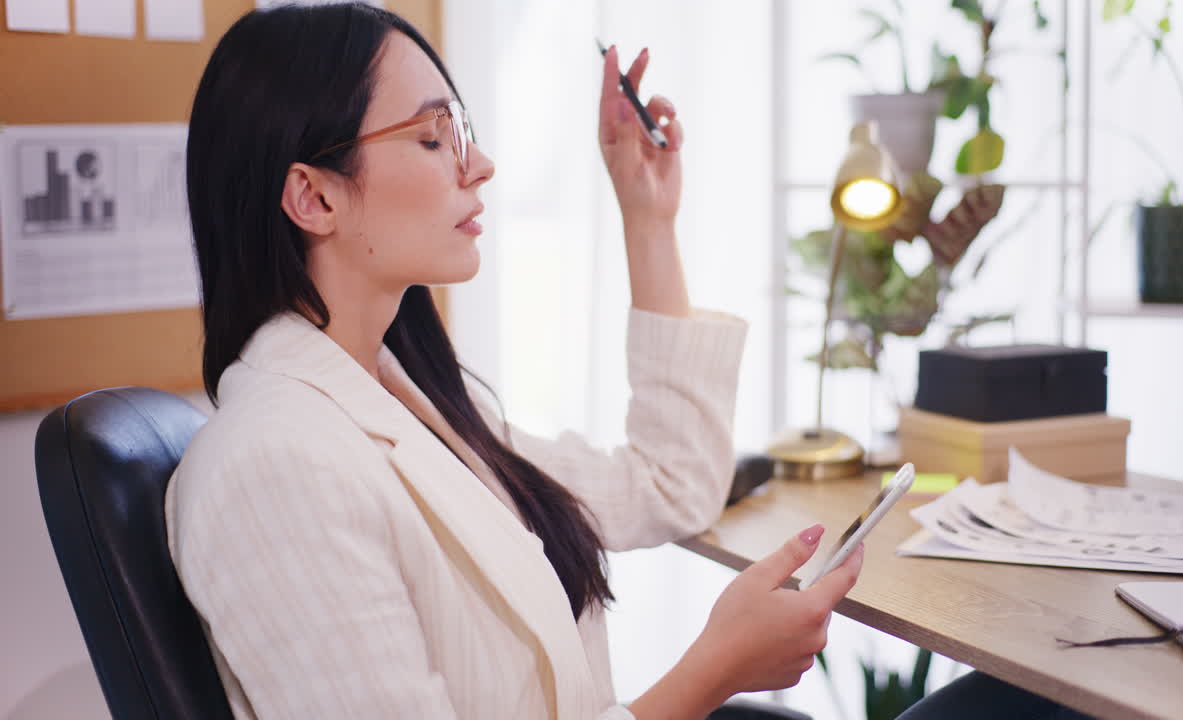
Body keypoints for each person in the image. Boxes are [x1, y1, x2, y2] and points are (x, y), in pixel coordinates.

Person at [166, 4, 863, 719]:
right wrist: (712, 671)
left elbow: (671, 484)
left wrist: (646, 219)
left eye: (460, 130)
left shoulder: (418, 399)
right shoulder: (274, 467)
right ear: (313, 196)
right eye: (434, 136)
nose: (480, 164)